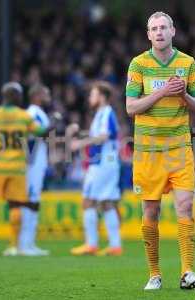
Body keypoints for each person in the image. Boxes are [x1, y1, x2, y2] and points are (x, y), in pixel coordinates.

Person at [125, 12, 195, 290]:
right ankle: (155, 274)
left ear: (173, 31)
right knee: (151, 211)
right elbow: (131, 107)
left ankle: (187, 272)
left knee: (185, 207)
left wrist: (182, 94)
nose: (159, 32)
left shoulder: (187, 63)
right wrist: (163, 92)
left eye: (163, 27)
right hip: (148, 150)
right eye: (153, 29)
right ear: (148, 35)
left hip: (180, 147)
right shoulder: (139, 64)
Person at [0, 82, 48, 256]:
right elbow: (41, 132)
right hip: (17, 168)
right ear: (16, 96)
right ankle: (13, 245)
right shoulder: (24, 116)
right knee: (15, 206)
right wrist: (53, 123)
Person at [70, 81, 122, 256]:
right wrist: (82, 134)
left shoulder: (106, 112)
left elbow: (104, 136)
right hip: (106, 163)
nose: (90, 98)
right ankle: (115, 246)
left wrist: (80, 143)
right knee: (106, 202)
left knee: (88, 200)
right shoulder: (102, 114)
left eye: (93, 94)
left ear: (102, 97)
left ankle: (91, 244)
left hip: (102, 163)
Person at [18, 84, 54, 256]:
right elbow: (33, 136)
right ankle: (24, 245)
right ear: (37, 95)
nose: (49, 96)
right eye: (46, 92)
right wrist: (54, 122)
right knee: (30, 201)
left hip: (37, 163)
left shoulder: (39, 112)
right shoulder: (32, 113)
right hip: (31, 165)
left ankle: (29, 244)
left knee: (34, 201)